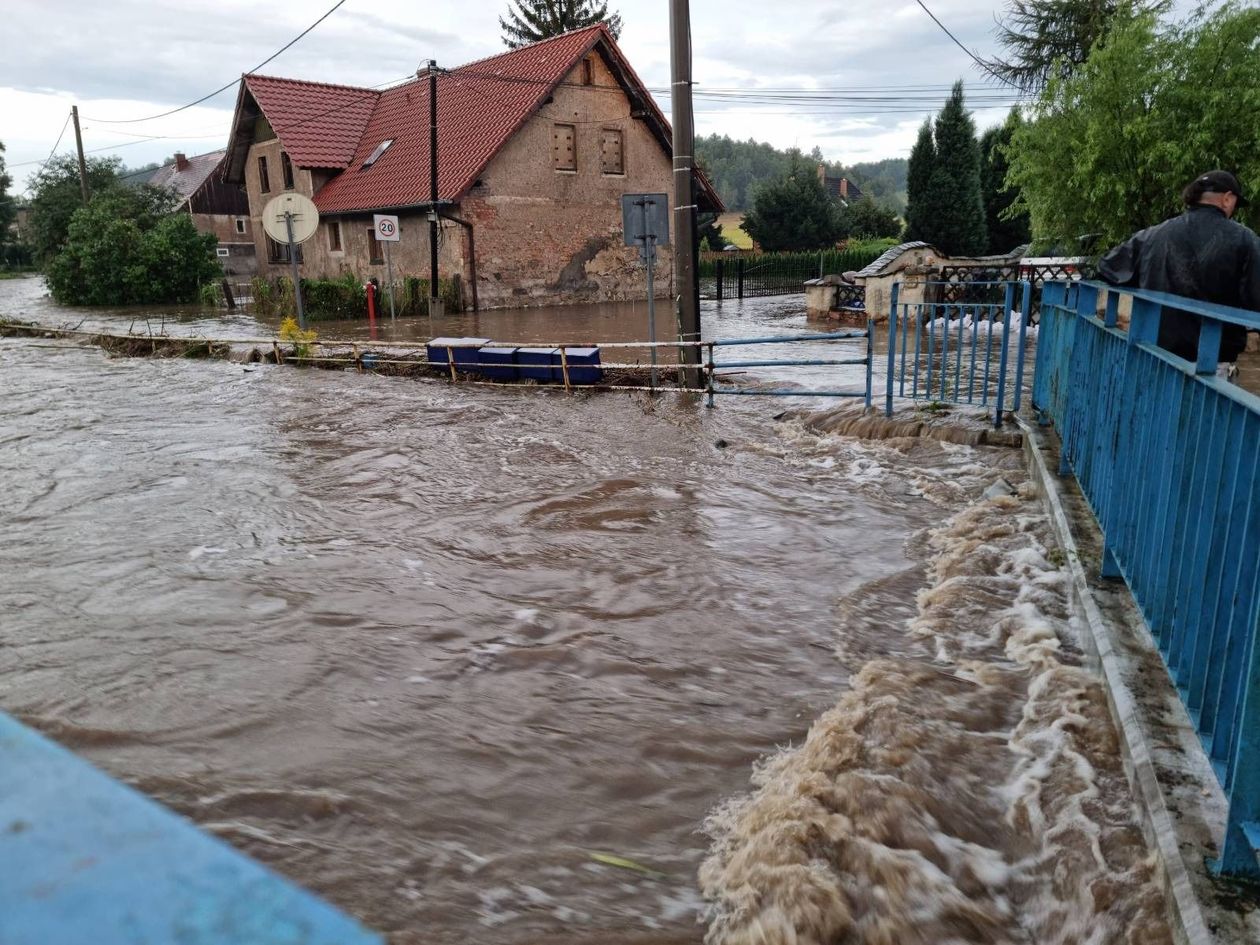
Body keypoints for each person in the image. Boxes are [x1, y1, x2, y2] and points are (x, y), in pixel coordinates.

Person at [1098, 170, 1260, 374]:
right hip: (1212, 366)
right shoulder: (1245, 240)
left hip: (1156, 358)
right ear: (1227, 199)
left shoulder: (1153, 235)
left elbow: (1107, 267)